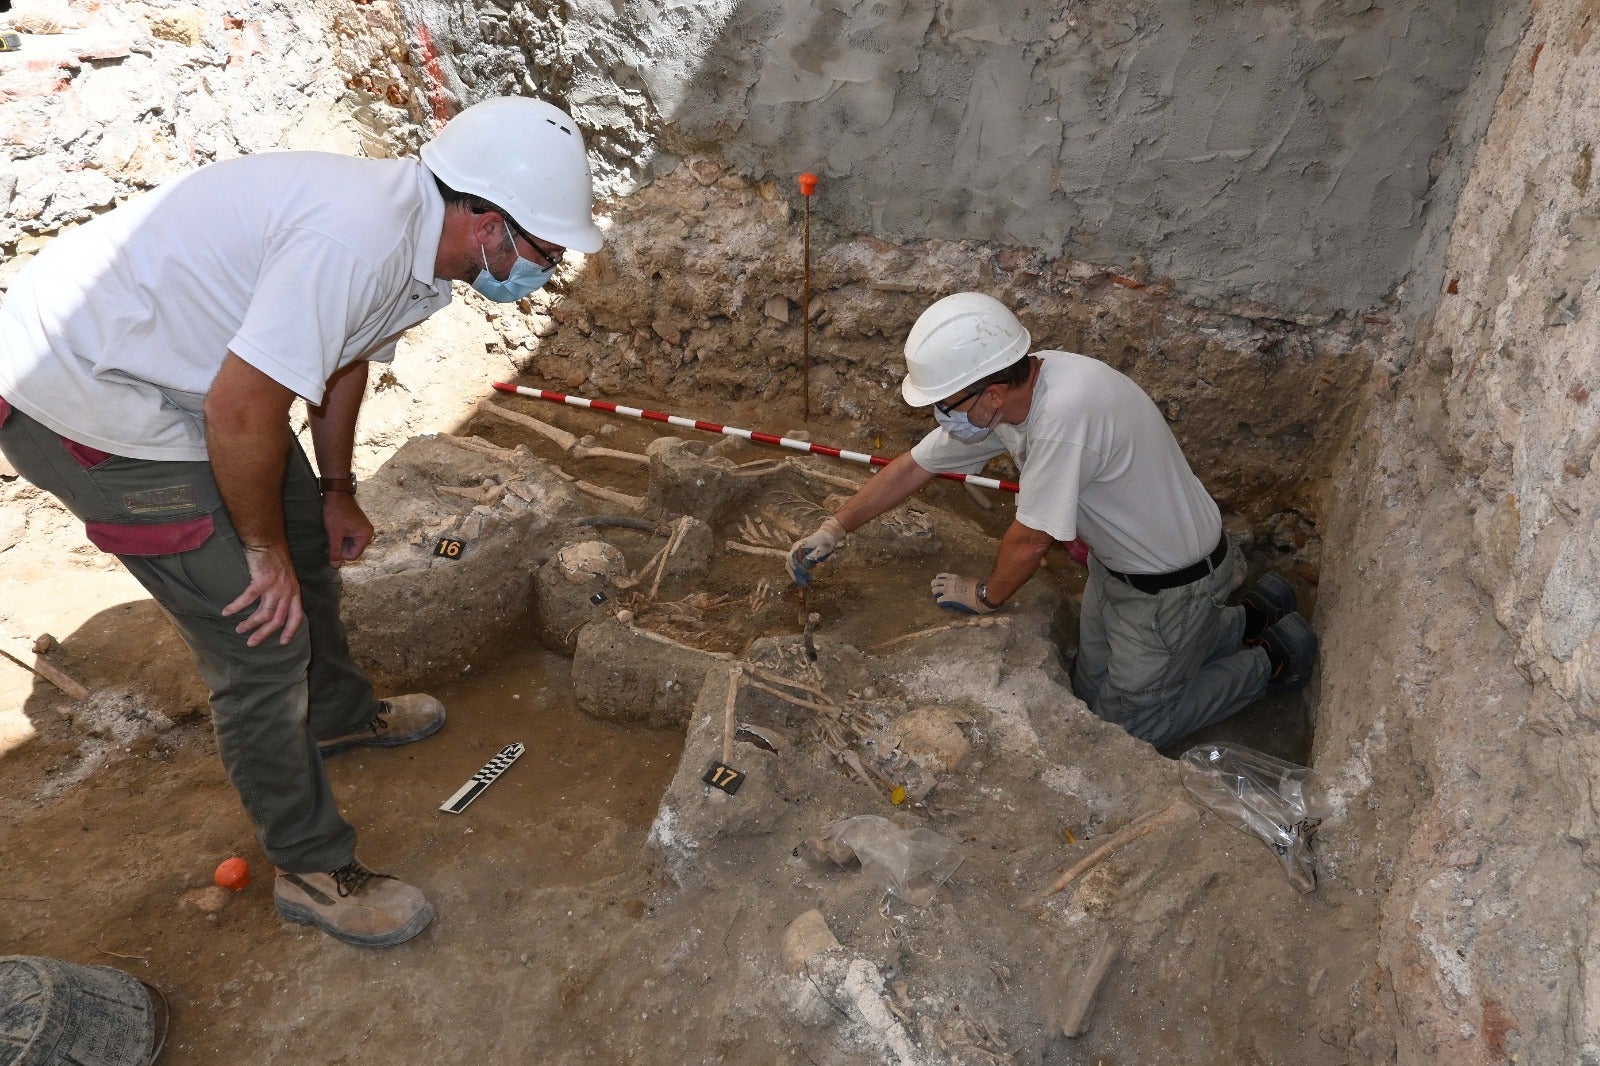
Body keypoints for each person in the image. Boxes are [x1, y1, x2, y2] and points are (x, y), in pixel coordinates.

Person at [0, 95, 604, 946]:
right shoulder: (355, 241)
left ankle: (336, 714)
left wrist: (334, 486)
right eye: (543, 250)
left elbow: (343, 354)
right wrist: (258, 553)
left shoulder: (423, 249)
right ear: (485, 221)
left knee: (303, 540)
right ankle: (313, 869)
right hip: (84, 392)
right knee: (259, 633)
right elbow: (242, 410)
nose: (545, 269)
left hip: (193, 377)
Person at [786, 292, 1317, 750]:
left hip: (1172, 586)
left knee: (1128, 727)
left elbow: (1029, 543)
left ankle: (1270, 657)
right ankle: (1251, 616)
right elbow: (913, 467)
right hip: (1124, 569)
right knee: (1089, 689)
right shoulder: (1017, 391)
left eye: (947, 405)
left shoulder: (1062, 418)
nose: (942, 417)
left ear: (991, 393)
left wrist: (986, 596)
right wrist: (835, 526)